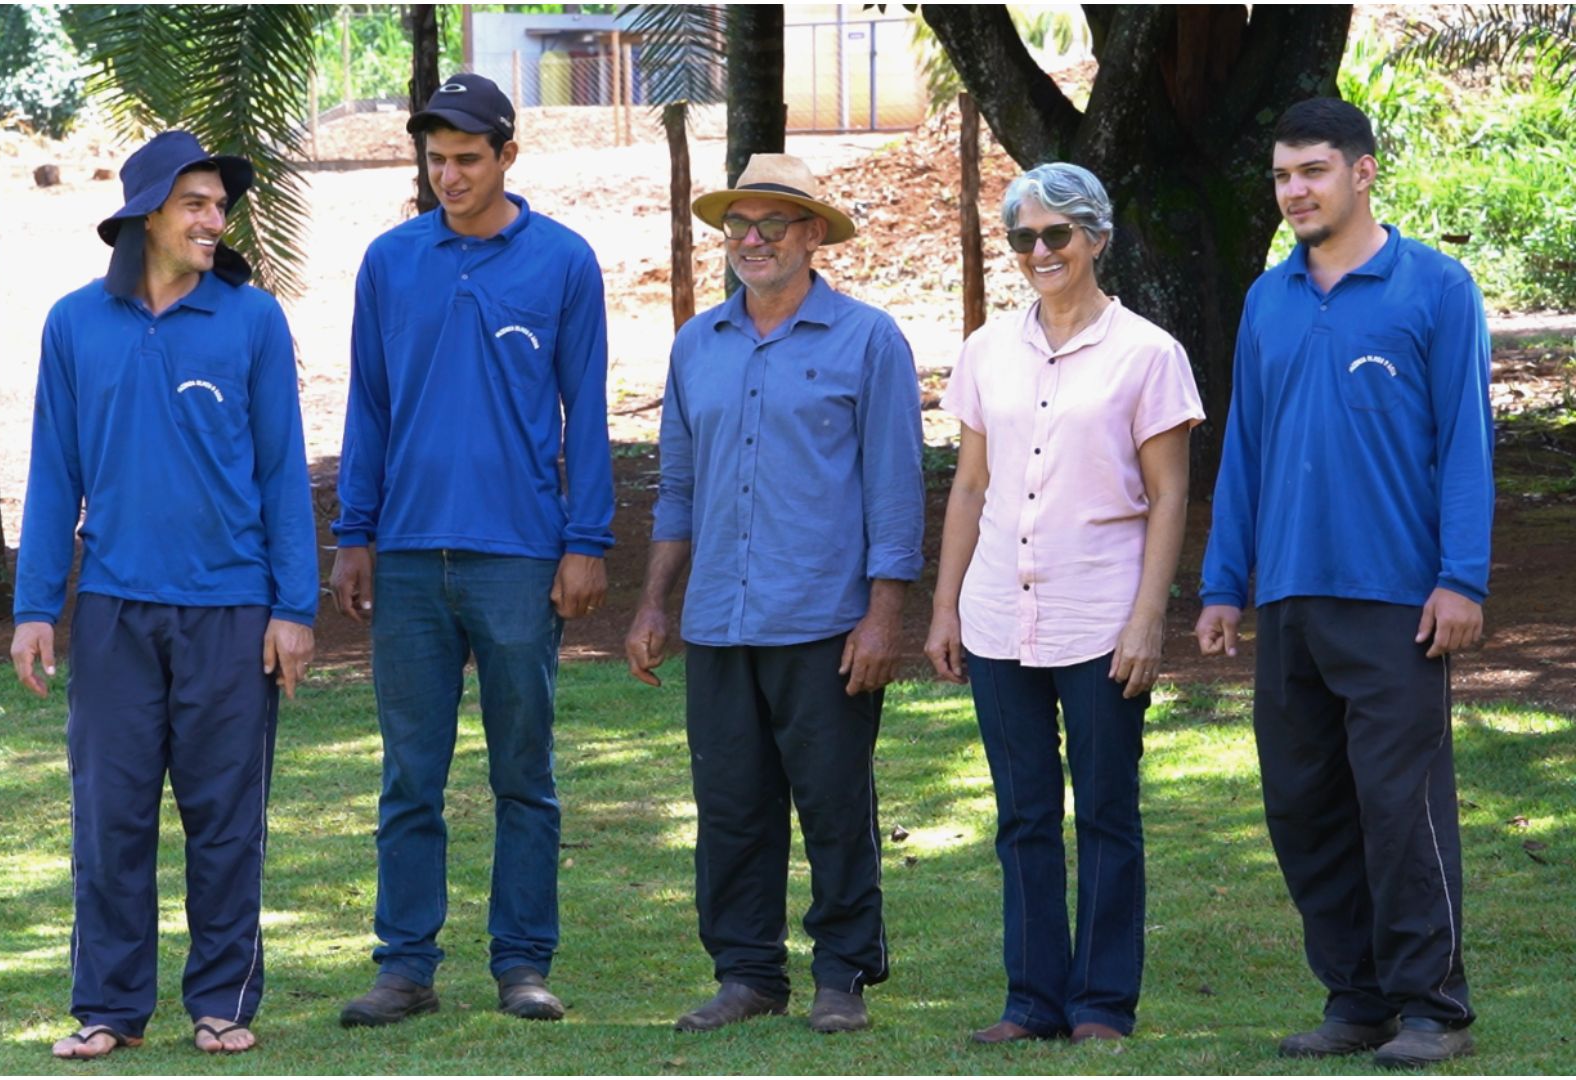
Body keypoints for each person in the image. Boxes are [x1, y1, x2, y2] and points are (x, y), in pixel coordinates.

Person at [1196, 97, 1492, 1068]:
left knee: (1398, 806)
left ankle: (1431, 1008)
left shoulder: (1434, 289)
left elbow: (1464, 446)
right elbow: (1243, 448)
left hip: (1396, 600)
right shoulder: (1267, 299)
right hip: (1286, 595)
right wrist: (1222, 583)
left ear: (1363, 172)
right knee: (1303, 806)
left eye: (1313, 171)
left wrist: (1461, 579)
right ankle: (1354, 999)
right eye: (1283, 176)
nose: (1295, 192)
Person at [9, 130, 318, 1059]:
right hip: (112, 610)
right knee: (111, 816)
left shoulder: (253, 320)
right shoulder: (73, 325)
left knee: (227, 821)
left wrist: (294, 610)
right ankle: (108, 1008)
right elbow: (53, 473)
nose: (216, 221)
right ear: (147, 214)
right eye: (197, 204)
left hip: (231, 612)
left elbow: (281, 474)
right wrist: (35, 605)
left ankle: (223, 1000)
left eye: (222, 206)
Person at [329, 73, 614, 1027]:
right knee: (410, 773)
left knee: (522, 771)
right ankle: (404, 965)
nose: (447, 176)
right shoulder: (389, 262)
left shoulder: (564, 263)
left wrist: (586, 541)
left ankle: (522, 962)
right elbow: (366, 405)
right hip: (406, 556)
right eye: (435, 159)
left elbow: (588, 413)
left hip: (519, 557)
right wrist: (353, 533)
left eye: (466, 159)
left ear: (506, 157)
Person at [625, 153, 925, 1036]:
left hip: (825, 620)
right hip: (718, 618)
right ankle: (747, 973)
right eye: (738, 226)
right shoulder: (695, 344)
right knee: (730, 810)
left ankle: (842, 973)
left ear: (812, 235)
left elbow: (896, 490)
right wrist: (653, 604)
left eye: (772, 225)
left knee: (834, 805)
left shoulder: (868, 340)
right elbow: (677, 487)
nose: (751, 241)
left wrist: (884, 614)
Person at [924, 162, 1203, 1047]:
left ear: (1096, 239)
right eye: (1023, 237)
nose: (1039, 251)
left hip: (1101, 619)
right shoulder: (985, 350)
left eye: (1057, 234)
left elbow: (1170, 497)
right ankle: (1033, 1002)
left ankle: (1102, 1005)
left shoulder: (1148, 353)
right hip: (999, 615)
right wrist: (945, 610)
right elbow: (969, 487)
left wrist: (1149, 618)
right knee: (1023, 816)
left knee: (1109, 814)